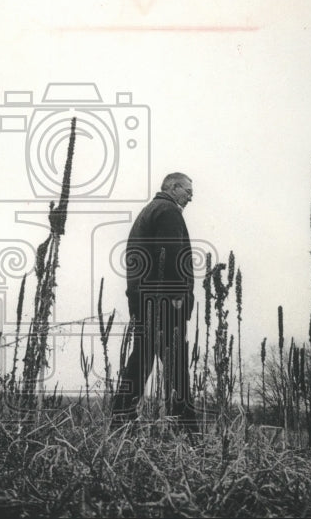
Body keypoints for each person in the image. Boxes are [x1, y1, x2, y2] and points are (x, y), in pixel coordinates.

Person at [112, 172, 199, 429]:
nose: (191, 198)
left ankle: (121, 419)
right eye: (187, 191)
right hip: (164, 302)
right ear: (172, 187)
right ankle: (189, 432)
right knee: (175, 365)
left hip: (145, 300)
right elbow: (169, 253)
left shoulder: (151, 210)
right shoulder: (168, 211)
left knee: (141, 361)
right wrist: (175, 296)